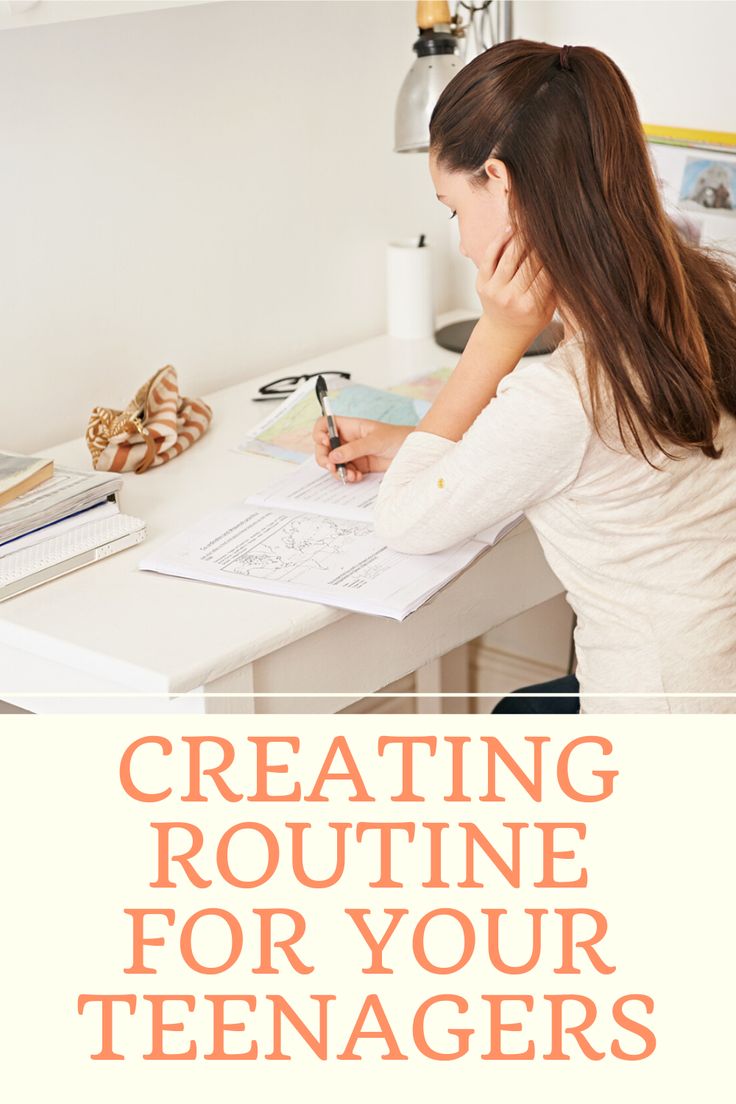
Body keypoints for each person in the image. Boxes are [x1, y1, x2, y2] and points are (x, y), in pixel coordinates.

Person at [313, 40, 736, 714]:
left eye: (454, 208)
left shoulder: (567, 394)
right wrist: (423, 441)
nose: (460, 240)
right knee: (519, 710)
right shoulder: (712, 291)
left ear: (502, 183)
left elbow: (406, 520)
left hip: (663, 736)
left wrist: (498, 335)